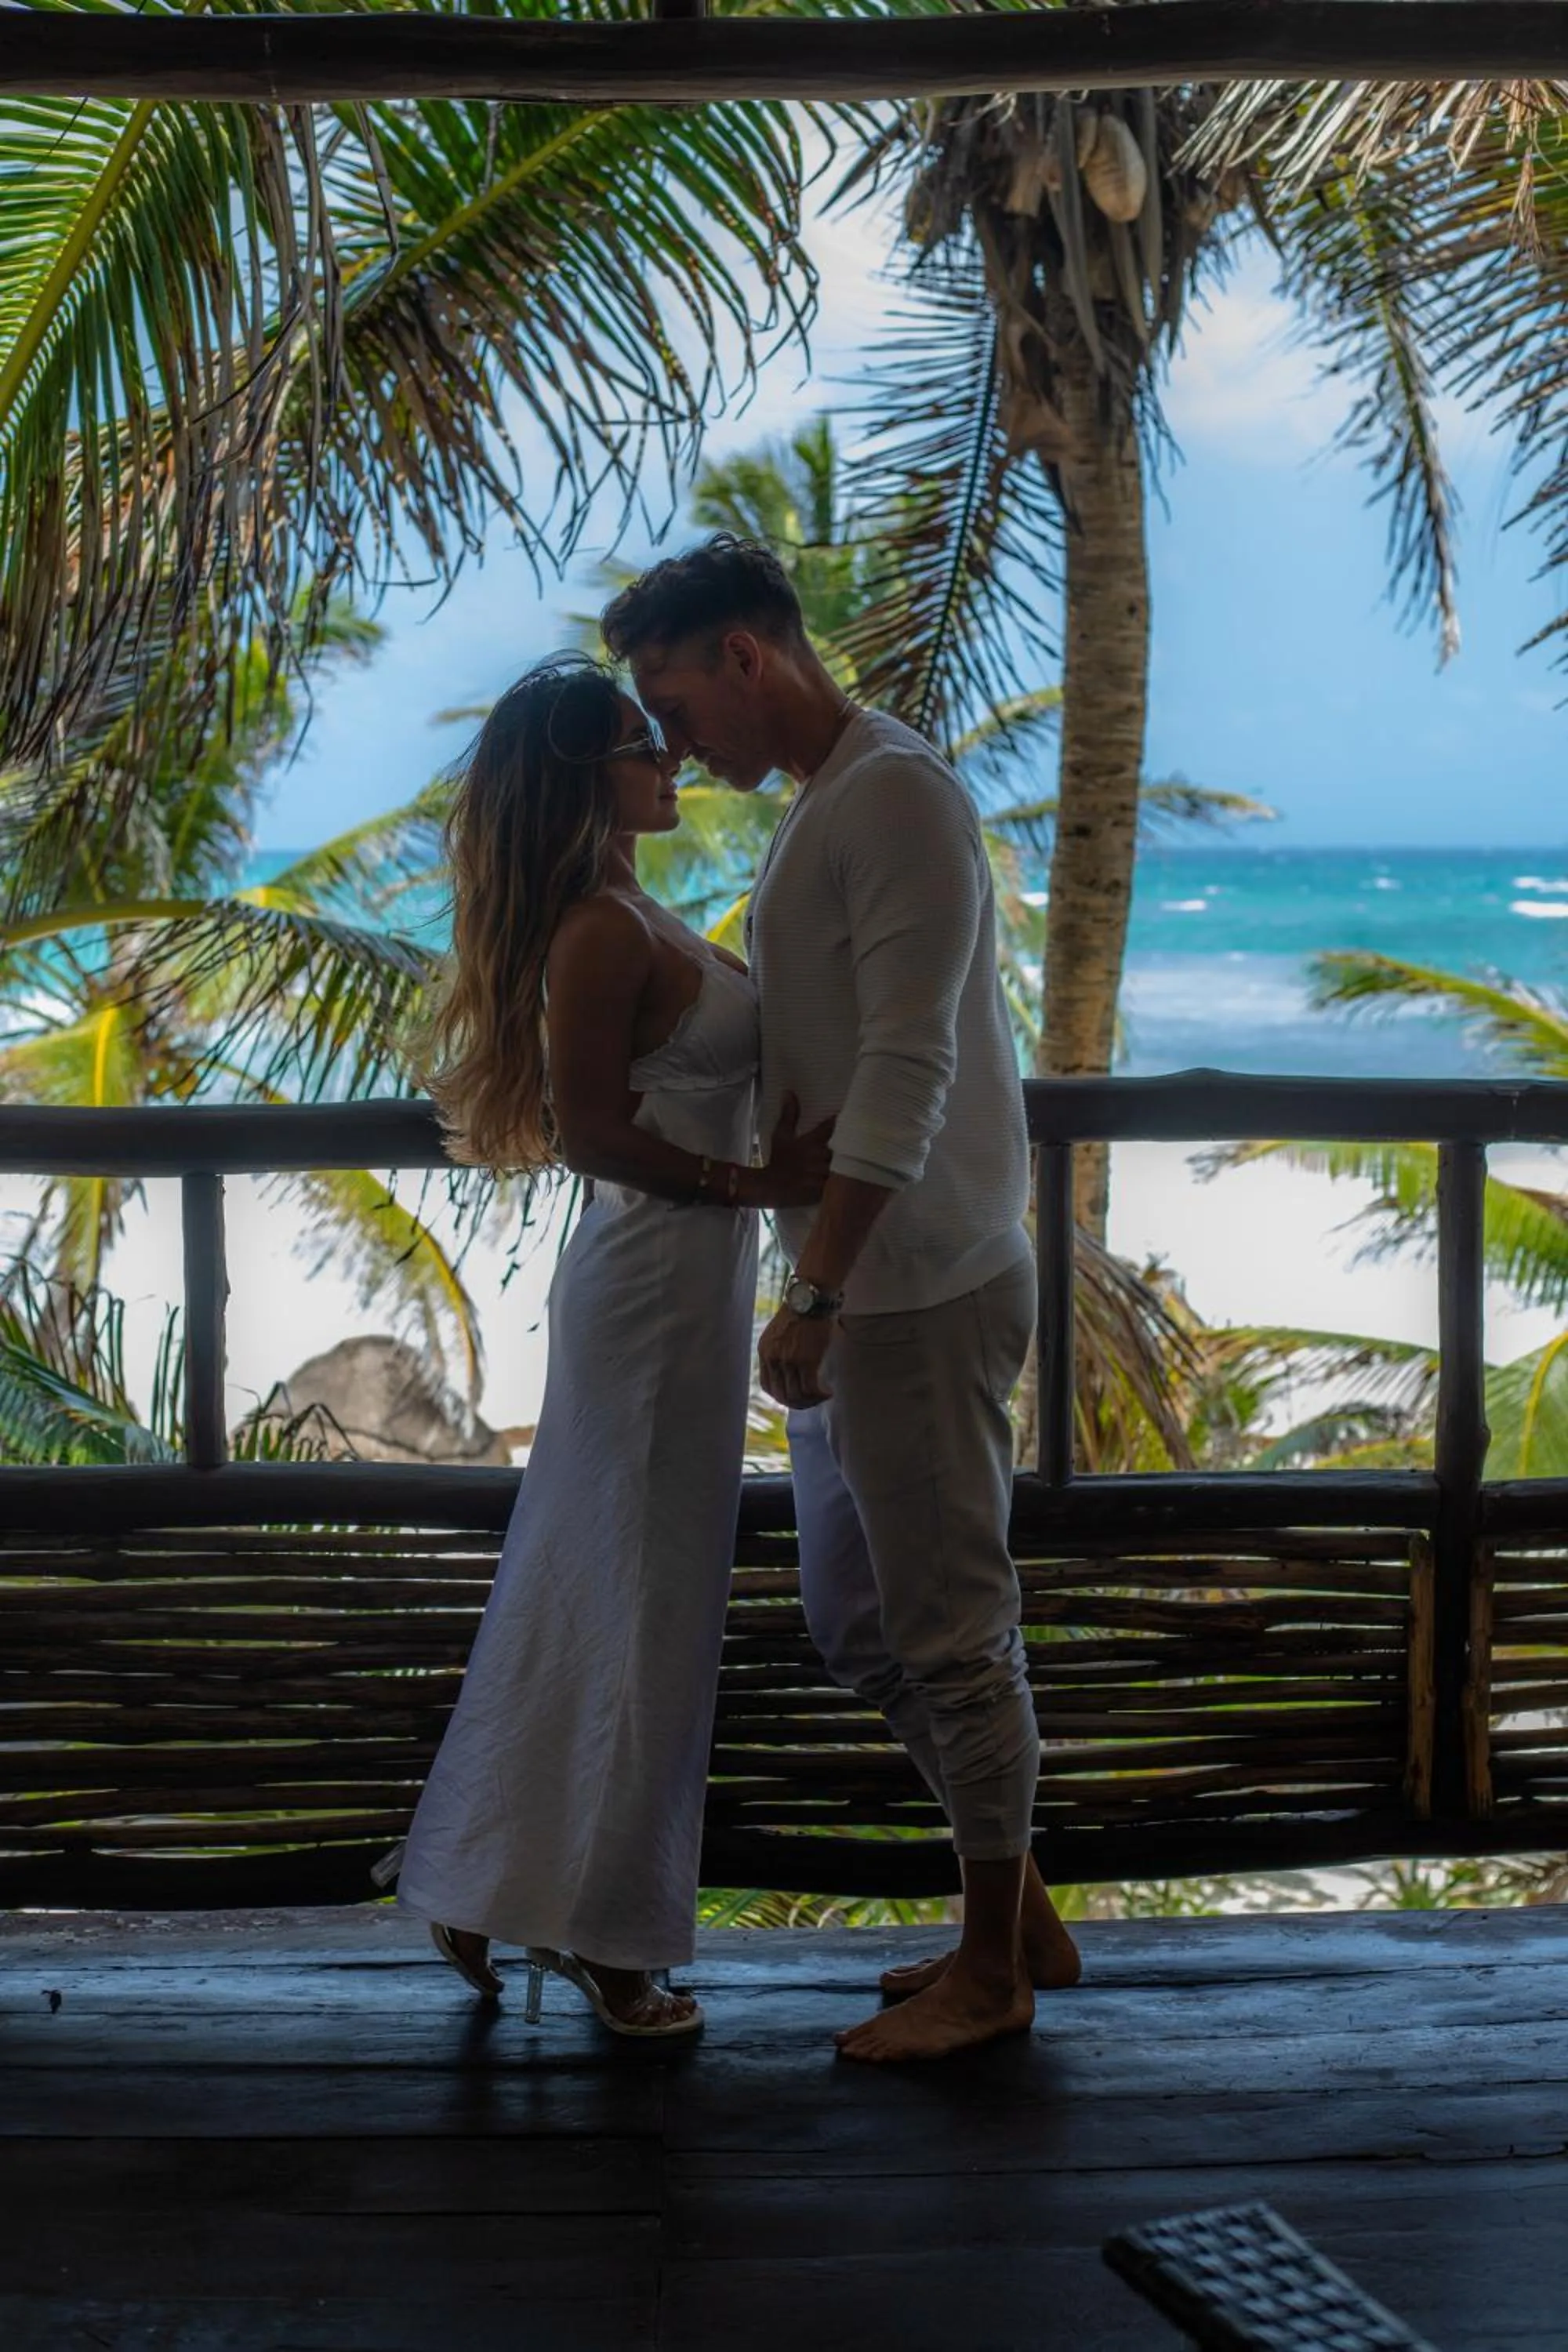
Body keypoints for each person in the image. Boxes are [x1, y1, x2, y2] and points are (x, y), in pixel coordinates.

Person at [601, 538, 1082, 2063]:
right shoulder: (826, 801)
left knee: (947, 1628)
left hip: (908, 1287)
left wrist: (813, 1284)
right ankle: (1015, 1913)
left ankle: (993, 1975)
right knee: (856, 1617)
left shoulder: (890, 795)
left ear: (746, 657)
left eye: (674, 699)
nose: (671, 741)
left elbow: (906, 1068)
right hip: (870, 1284)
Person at [385, 656, 833, 2038]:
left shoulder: (645, 913)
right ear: (589, 778)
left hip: (681, 1291)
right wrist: (755, 1190)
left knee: (621, 1587)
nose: (672, 763)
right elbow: (590, 1135)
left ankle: (495, 1878)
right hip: (649, 1288)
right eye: (646, 748)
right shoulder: (599, 931)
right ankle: (608, 1940)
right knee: (636, 1595)